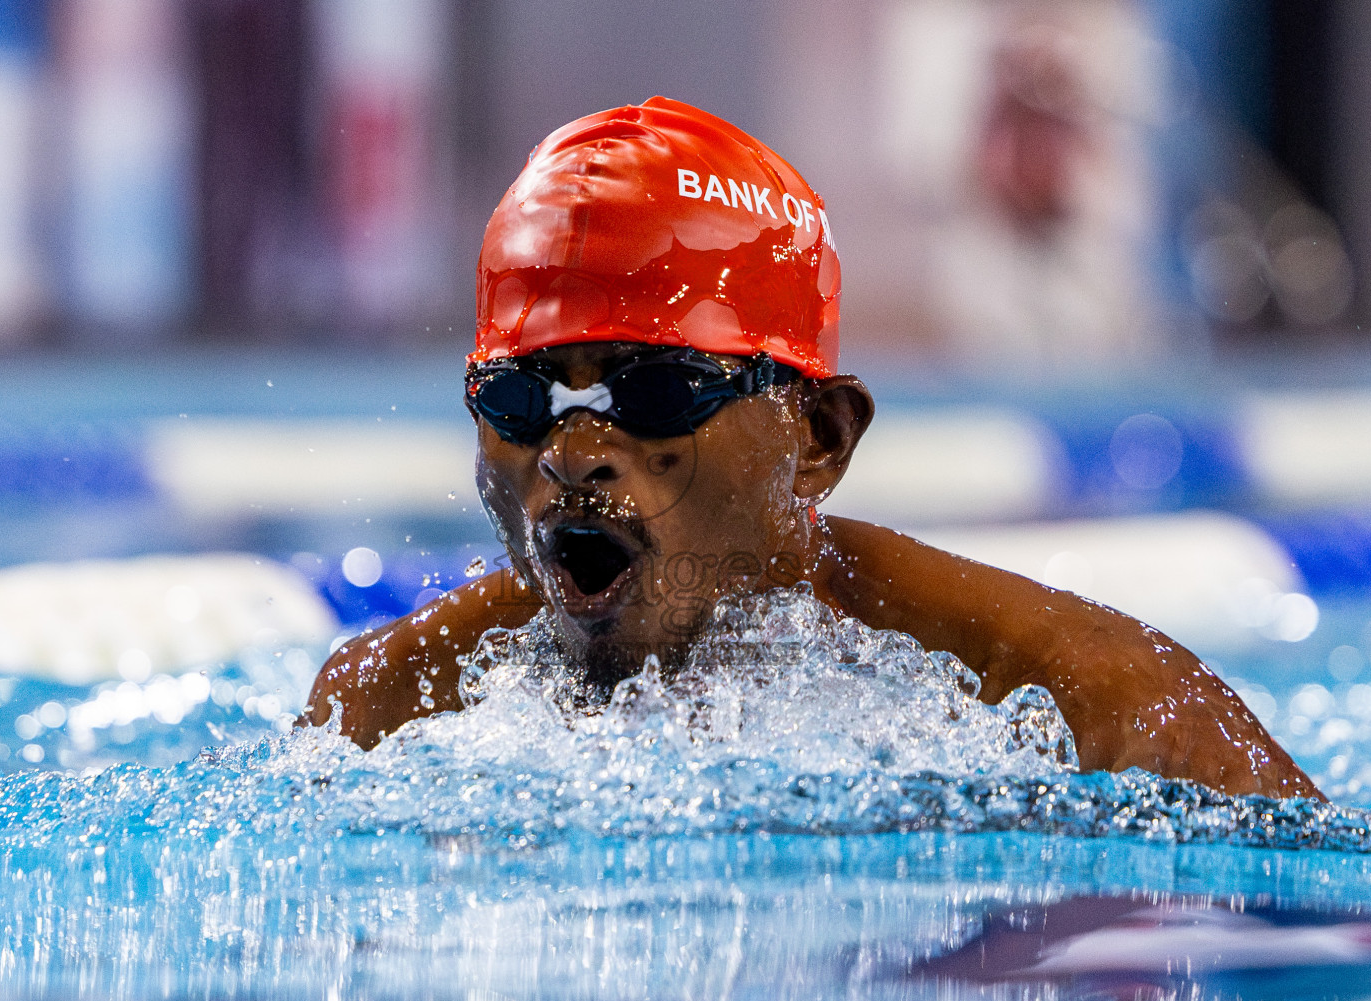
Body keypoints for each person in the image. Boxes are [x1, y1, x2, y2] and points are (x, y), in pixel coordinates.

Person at [304, 97, 1317, 800]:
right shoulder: (386, 710)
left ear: (820, 439)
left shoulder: (1106, 711)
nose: (573, 452)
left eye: (657, 389)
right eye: (522, 396)